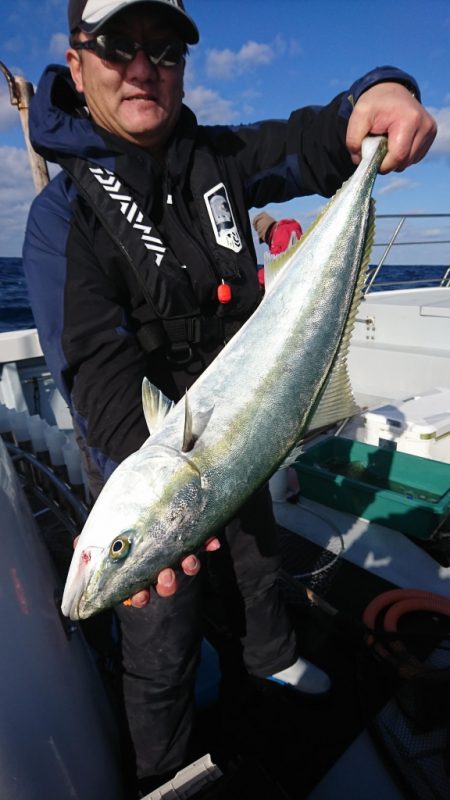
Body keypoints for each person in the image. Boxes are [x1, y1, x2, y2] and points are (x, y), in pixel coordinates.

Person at [22, 0, 437, 794]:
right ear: (76, 64)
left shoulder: (219, 155)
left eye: (166, 46)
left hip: (233, 436)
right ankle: (166, 769)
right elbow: (97, 380)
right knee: (157, 622)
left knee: (259, 573)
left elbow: (320, 136)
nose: (144, 66)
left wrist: (381, 90)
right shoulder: (61, 218)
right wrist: (148, 532)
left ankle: (274, 678)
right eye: (117, 45)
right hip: (150, 455)